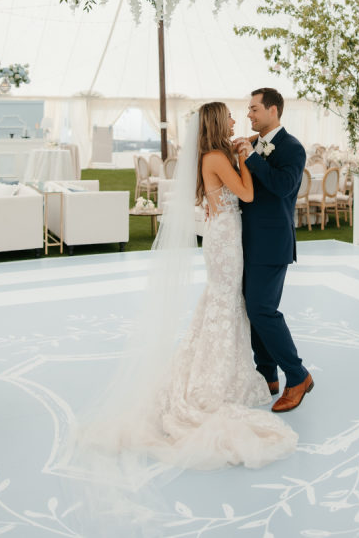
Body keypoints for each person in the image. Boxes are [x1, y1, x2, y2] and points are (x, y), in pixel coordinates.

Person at [82, 102, 297, 472]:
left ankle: (232, 367)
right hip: (226, 238)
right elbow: (246, 195)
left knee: (226, 302)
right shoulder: (215, 156)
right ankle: (215, 375)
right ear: (216, 122)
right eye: (229, 115)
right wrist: (245, 159)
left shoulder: (215, 154)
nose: (235, 119)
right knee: (224, 302)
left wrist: (239, 154)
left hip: (227, 233)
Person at [234, 88, 313, 413]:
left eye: (254, 109)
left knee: (262, 310)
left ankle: (297, 376)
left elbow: (283, 187)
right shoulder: (251, 144)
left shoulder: (293, 148)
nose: (249, 115)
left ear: (273, 111)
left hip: (272, 242)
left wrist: (251, 159)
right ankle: (267, 375)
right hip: (245, 242)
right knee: (251, 311)